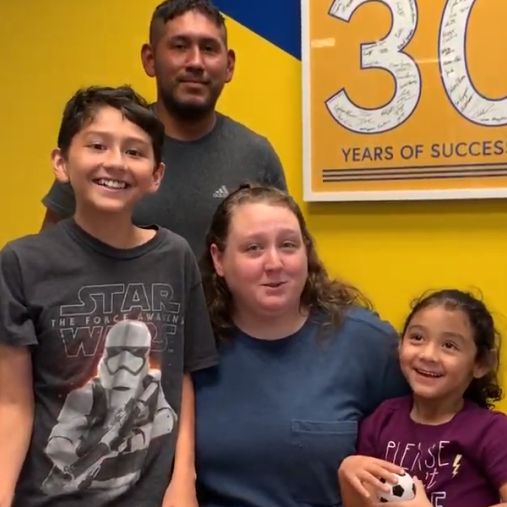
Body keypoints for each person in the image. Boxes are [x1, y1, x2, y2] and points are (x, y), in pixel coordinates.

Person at [0, 85, 218, 507]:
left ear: (156, 174)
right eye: (97, 145)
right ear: (61, 163)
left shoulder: (175, 257)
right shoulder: (22, 262)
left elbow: (181, 376)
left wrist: (183, 481)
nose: (115, 162)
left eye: (134, 151)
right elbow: (12, 404)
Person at [191, 183, 410, 507]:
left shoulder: (367, 344)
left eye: (288, 245)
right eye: (254, 248)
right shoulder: (193, 345)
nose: (274, 263)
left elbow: (433, 440)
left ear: (306, 252)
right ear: (219, 259)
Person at [41, 0, 287, 258]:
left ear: (229, 65)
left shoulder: (256, 156)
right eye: (180, 46)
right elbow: (48, 256)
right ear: (150, 59)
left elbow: (284, 254)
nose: (195, 62)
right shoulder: (105, 151)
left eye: (209, 48)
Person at [339, 289, 507, 507]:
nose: (428, 355)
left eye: (449, 345)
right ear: (400, 344)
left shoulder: (492, 431)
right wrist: (348, 472)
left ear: (481, 363)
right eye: (417, 338)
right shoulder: (381, 420)